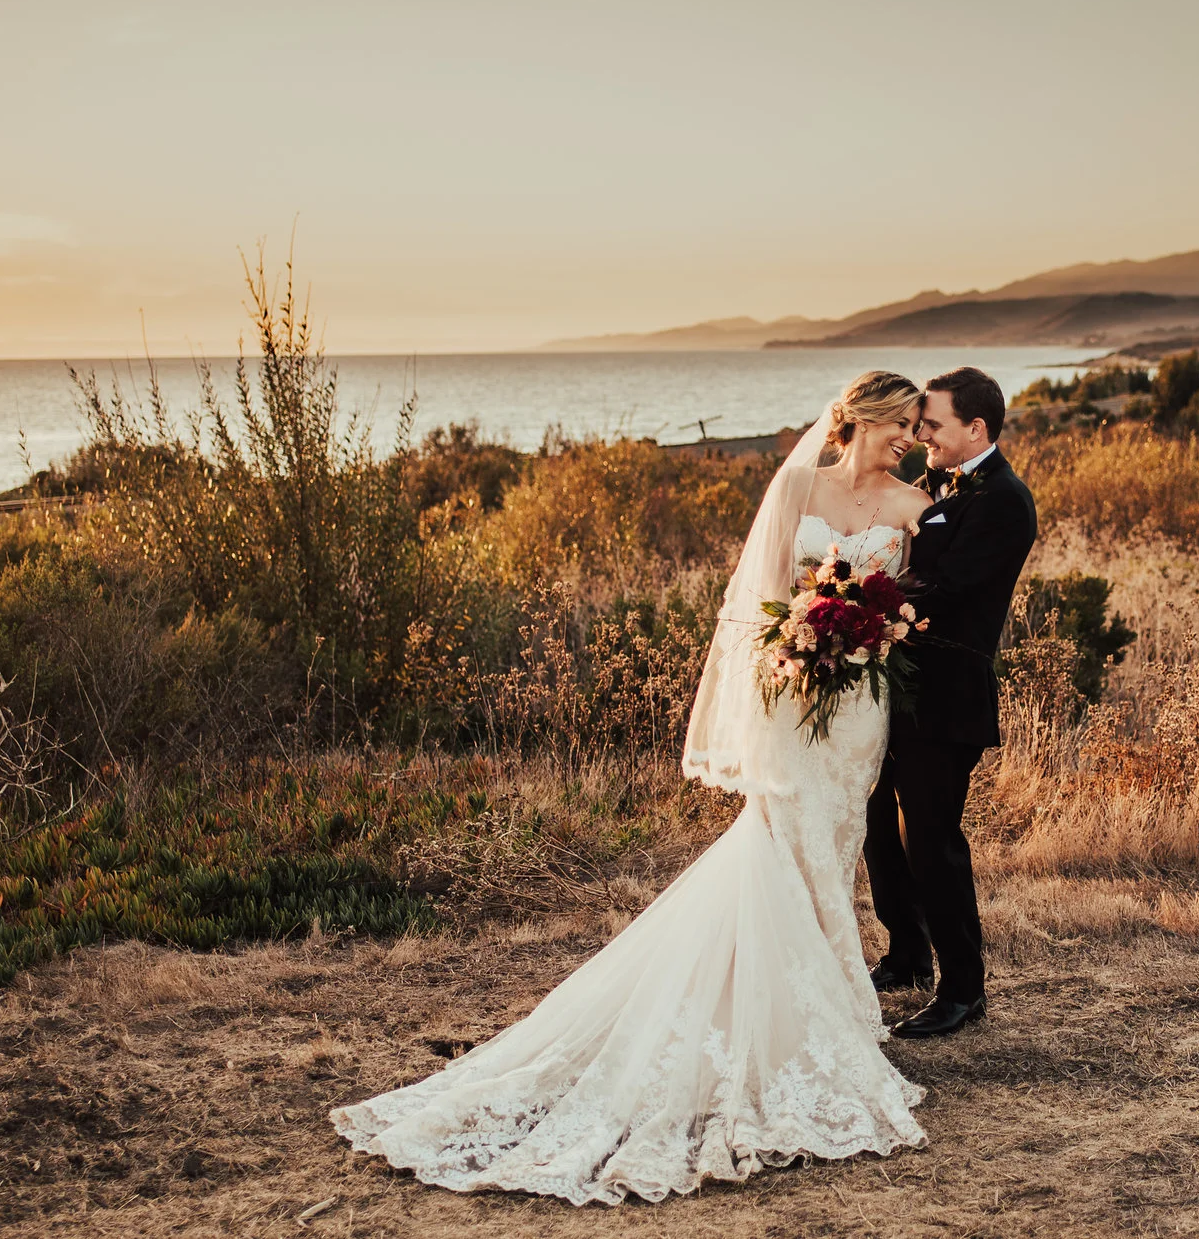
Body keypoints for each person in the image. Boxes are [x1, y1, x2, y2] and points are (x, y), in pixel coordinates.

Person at [330, 371, 936, 1206]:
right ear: (862, 416)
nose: (909, 434)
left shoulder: (911, 506)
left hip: (858, 713)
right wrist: (793, 656)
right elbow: (755, 603)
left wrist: (873, 633)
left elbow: (906, 607)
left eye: (914, 423)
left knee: (834, 851)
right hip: (797, 700)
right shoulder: (798, 483)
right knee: (779, 841)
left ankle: (830, 1009)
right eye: (900, 420)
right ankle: (791, 1016)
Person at [863, 366, 1038, 1039]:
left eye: (932, 424)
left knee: (931, 838)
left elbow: (949, 589)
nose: (921, 434)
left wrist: (860, 610)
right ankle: (906, 952)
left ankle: (962, 988)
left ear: (977, 428)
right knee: (879, 820)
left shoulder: (1004, 500)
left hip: (950, 693)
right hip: (895, 685)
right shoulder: (934, 482)